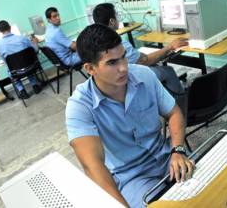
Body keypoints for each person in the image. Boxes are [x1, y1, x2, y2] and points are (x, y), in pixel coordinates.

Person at [66, 24, 194, 208]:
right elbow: (92, 166)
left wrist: (178, 150)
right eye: (112, 62)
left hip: (166, 155)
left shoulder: (144, 75)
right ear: (90, 68)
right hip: (131, 177)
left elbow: (173, 113)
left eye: (123, 57)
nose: (123, 68)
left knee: (210, 188)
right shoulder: (79, 106)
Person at [93, 3, 187, 94]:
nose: (118, 18)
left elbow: (137, 59)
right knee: (168, 70)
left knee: (156, 64)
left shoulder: (96, 41)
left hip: (114, 81)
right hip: (131, 78)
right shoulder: (117, 42)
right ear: (112, 22)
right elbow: (144, 61)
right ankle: (180, 99)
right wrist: (169, 47)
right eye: (117, 15)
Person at [0, 20, 42, 99]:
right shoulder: (22, 38)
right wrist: (35, 42)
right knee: (26, 63)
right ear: (10, 27)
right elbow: (36, 50)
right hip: (31, 67)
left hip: (16, 72)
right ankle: (35, 86)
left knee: (10, 69)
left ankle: (22, 91)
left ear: (0, 31)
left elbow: (5, 62)